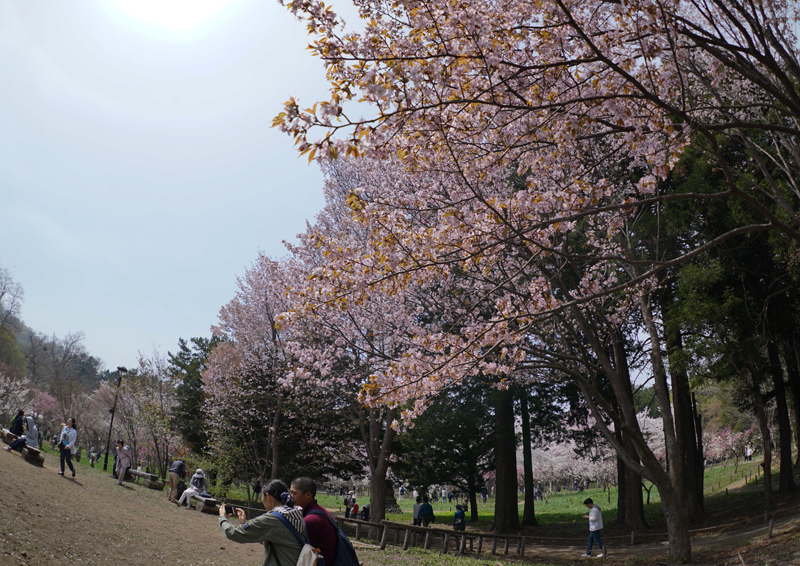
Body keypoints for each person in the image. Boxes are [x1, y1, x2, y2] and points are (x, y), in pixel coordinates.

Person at [219, 479, 306, 566]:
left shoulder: (272, 519)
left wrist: (222, 517)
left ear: (268, 497)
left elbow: (233, 533)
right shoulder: (294, 515)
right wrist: (245, 522)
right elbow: (275, 536)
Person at [290, 476, 337, 566]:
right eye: (290, 493)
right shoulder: (319, 510)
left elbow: (299, 550)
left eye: (294, 493)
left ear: (308, 495)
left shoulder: (311, 520)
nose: (291, 497)